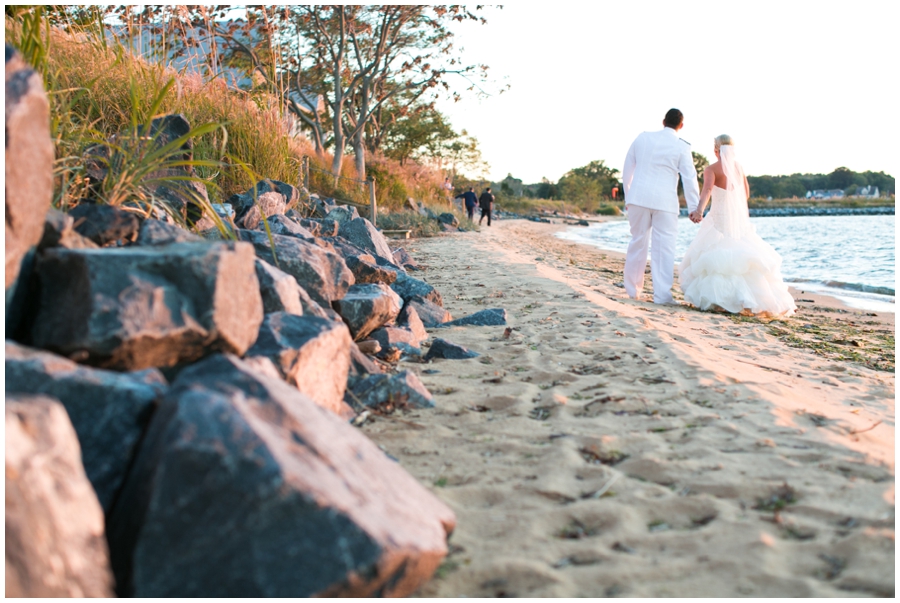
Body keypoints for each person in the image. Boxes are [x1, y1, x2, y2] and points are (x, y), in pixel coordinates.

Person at [679, 135, 796, 317]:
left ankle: (722, 301)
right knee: (743, 258)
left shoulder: (711, 169)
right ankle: (750, 300)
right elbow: (746, 194)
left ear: (715, 150)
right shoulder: (738, 168)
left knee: (718, 259)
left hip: (718, 221)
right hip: (738, 221)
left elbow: (707, 191)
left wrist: (699, 211)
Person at [622, 108, 701, 304]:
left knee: (637, 243)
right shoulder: (682, 147)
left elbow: (627, 168)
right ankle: (662, 296)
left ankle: (633, 291)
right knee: (664, 248)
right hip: (664, 202)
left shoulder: (642, 138)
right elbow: (689, 178)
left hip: (638, 198)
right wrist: (694, 207)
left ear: (663, 121)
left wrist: (628, 196)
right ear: (681, 126)